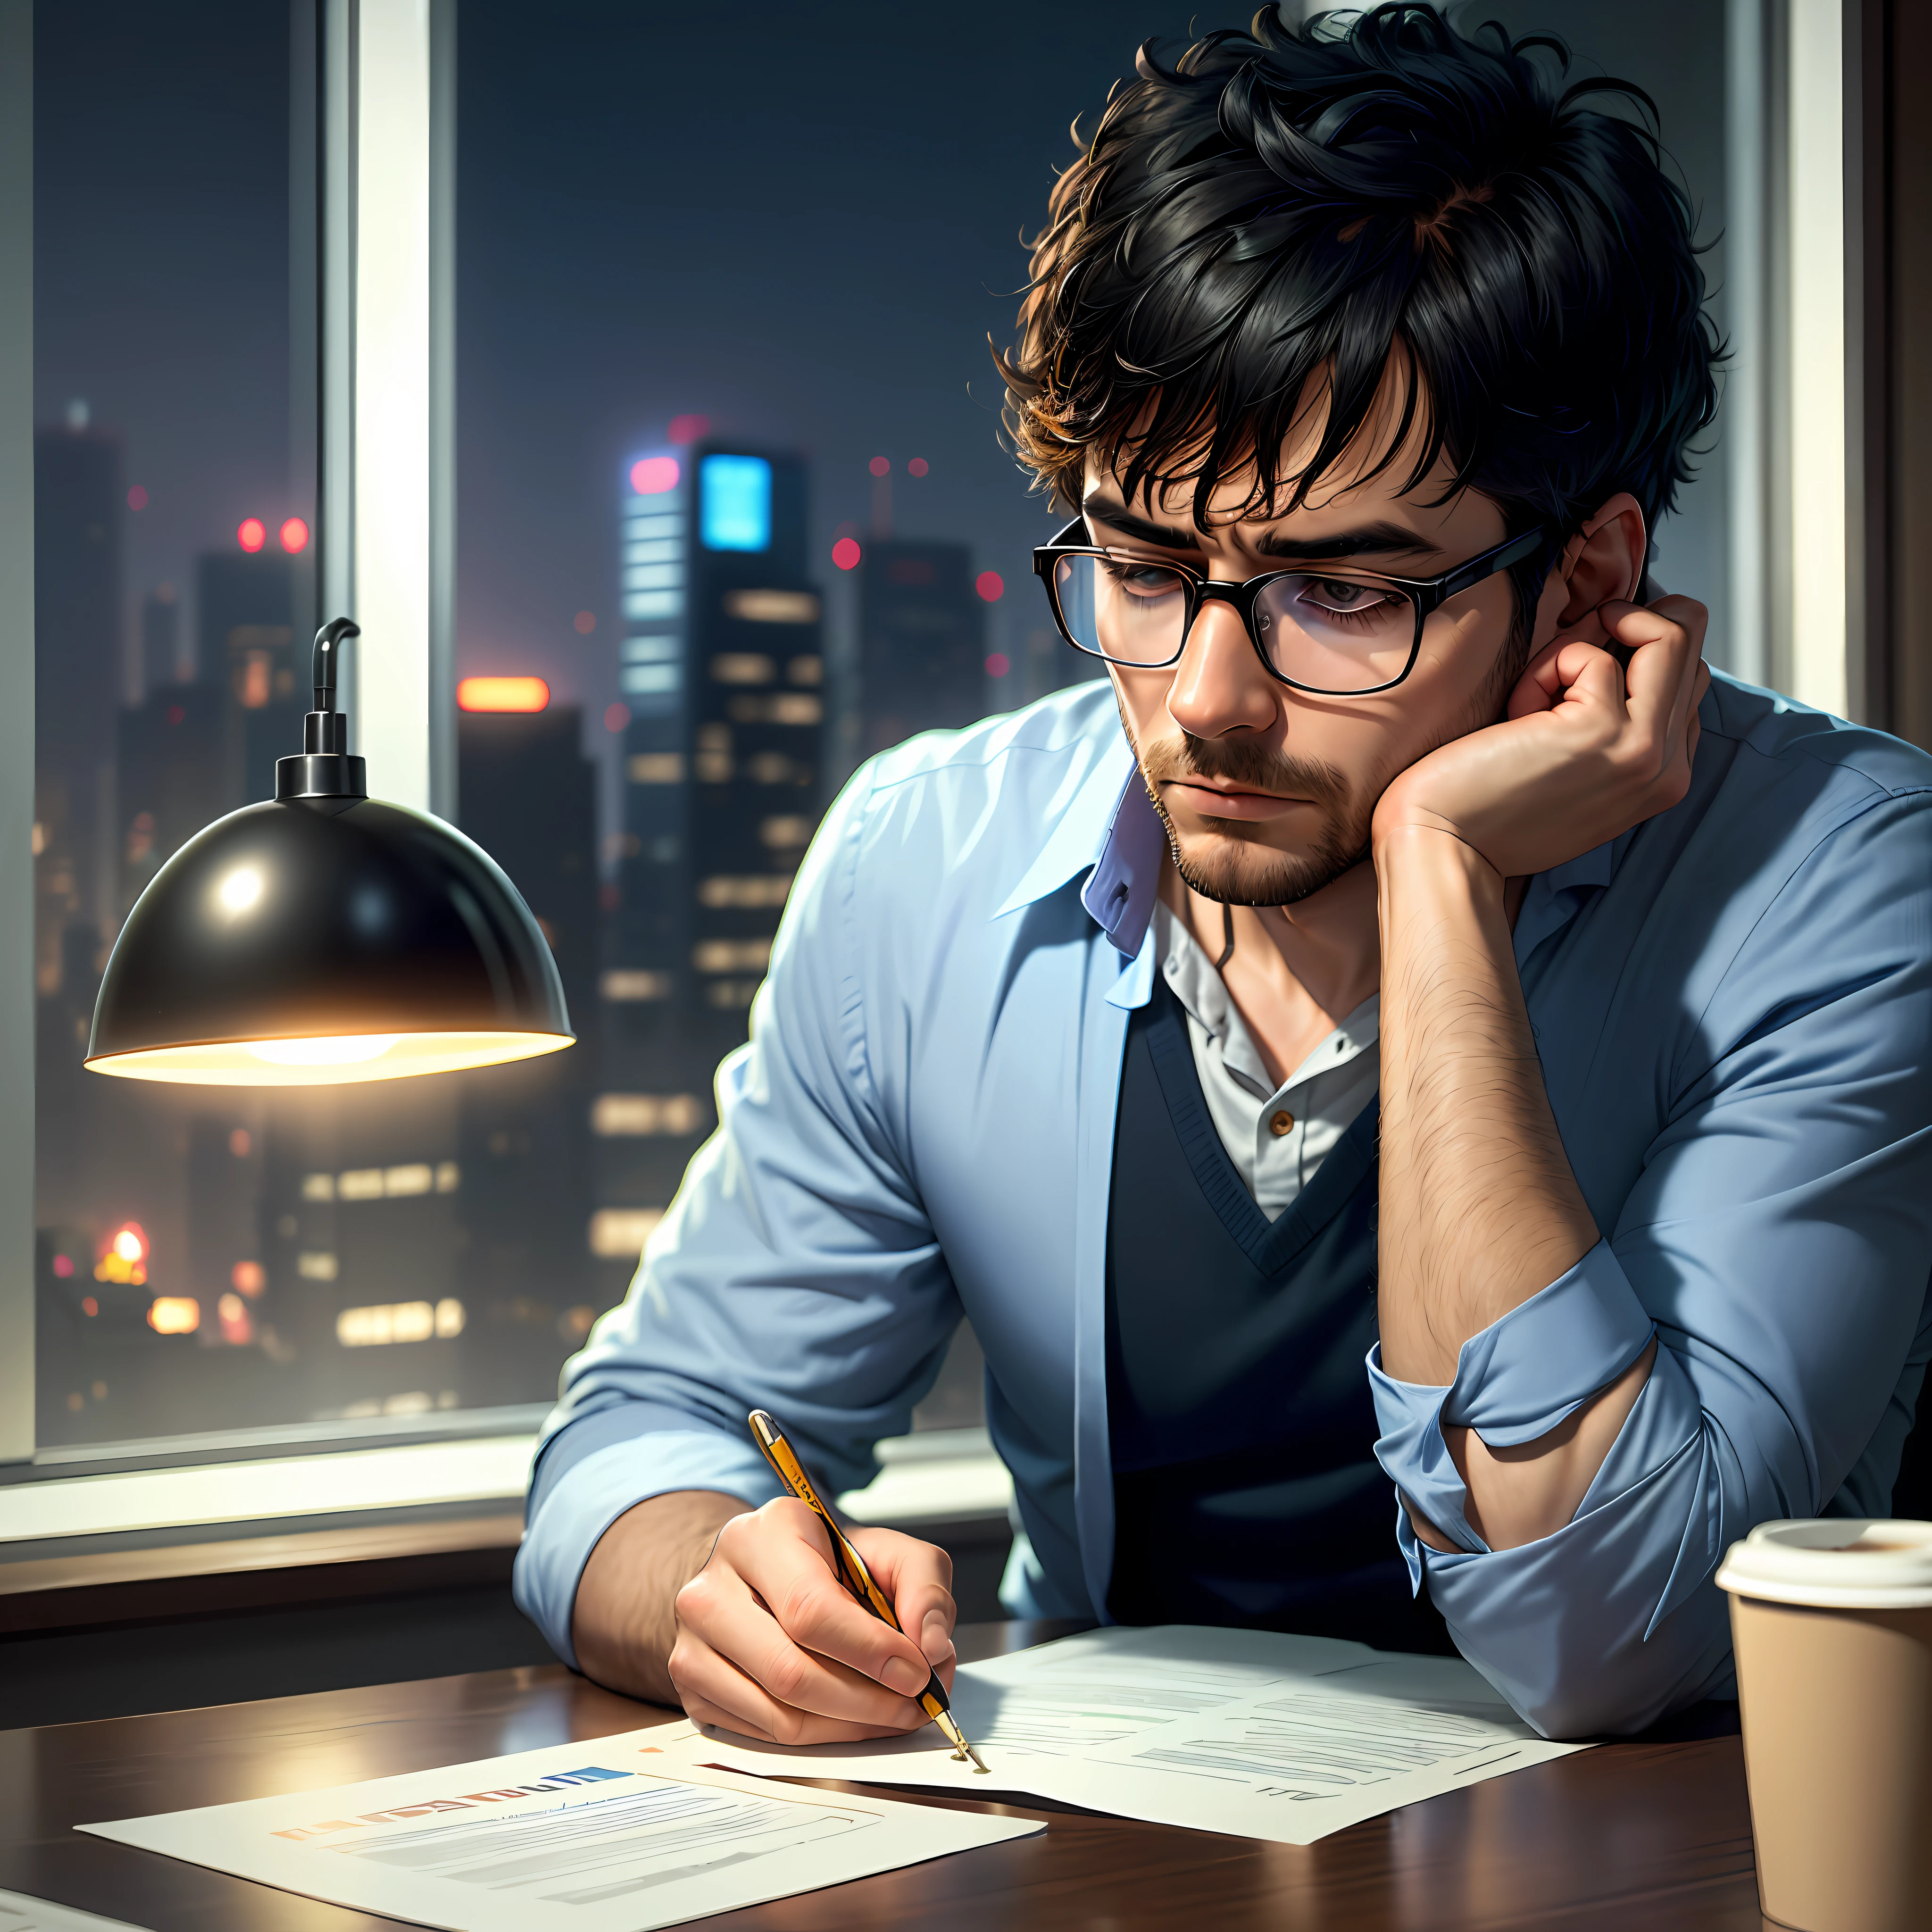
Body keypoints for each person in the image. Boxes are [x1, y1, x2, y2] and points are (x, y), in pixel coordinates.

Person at [513, 4, 1932, 1741]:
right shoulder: (926, 865)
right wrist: (722, 1589)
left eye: (1344, 591)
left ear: (1583, 581)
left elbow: (1610, 1634)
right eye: (1140, 561)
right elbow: (639, 1439)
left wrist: (1441, 872)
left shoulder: (1840, 879)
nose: (1205, 699)